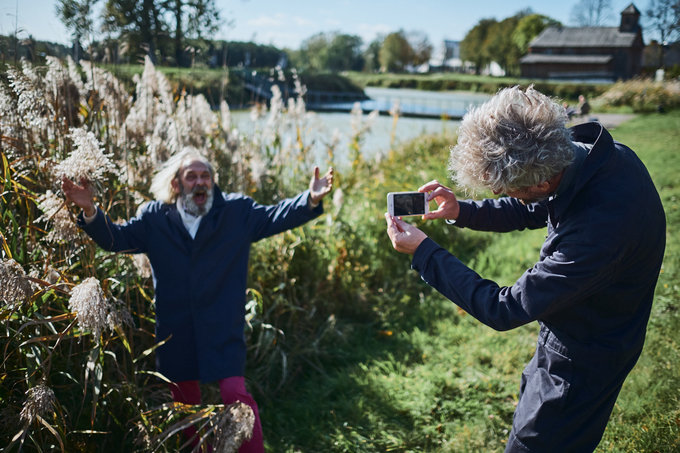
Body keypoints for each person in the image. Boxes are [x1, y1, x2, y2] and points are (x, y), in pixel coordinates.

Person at [385, 86, 665, 452]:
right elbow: (536, 205)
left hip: (582, 363)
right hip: (578, 328)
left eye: (509, 191)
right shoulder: (590, 161)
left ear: (543, 181)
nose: (506, 197)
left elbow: (504, 308)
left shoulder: (597, 233)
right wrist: (462, 211)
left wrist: (423, 252)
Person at [62, 148, 334, 452]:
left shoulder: (236, 213)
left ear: (213, 182)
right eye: (191, 176)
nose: (200, 182)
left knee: (236, 394)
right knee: (185, 407)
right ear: (177, 183)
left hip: (222, 325)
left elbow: (274, 217)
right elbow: (117, 239)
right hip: (175, 328)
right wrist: (90, 211)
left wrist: (310, 198)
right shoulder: (154, 217)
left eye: (205, 175)